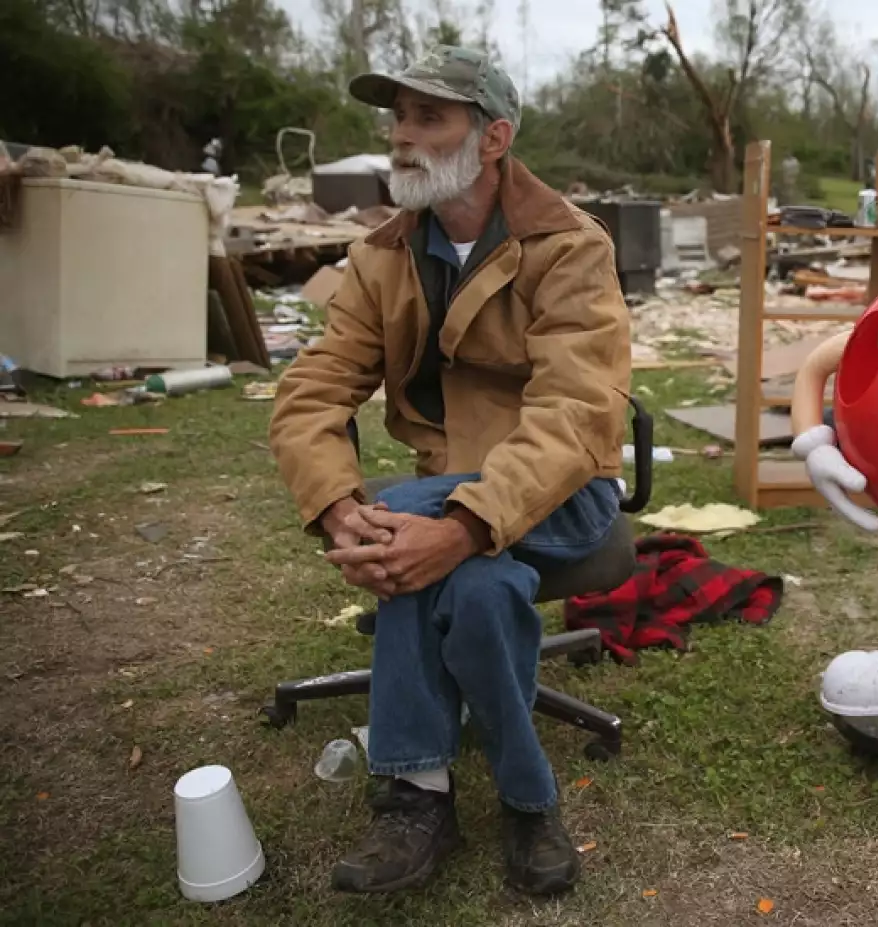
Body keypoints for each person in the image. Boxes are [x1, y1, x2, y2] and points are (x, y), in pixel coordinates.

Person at [267, 45, 631, 899]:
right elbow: (311, 392)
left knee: (411, 520)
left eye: (428, 117)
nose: (401, 136)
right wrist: (335, 505)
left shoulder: (568, 245)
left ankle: (411, 795)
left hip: (562, 493)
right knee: (475, 591)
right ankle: (522, 799)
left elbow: (576, 416)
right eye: (397, 117)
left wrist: (458, 525)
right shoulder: (383, 254)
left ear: (494, 135)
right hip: (448, 491)